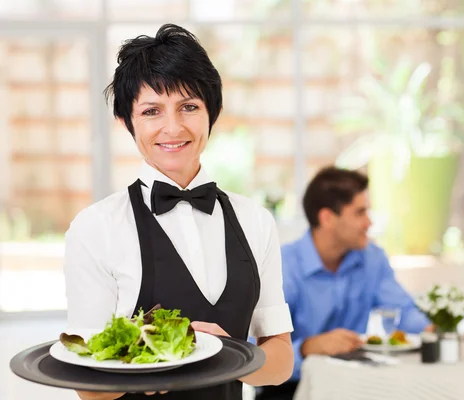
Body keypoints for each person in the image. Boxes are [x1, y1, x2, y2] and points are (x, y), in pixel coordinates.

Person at [63, 24, 293, 400]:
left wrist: (234, 356)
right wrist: (140, 361)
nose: (173, 128)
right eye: (152, 111)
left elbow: (281, 363)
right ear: (127, 122)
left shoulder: (255, 221)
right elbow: (90, 391)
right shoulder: (96, 228)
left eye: (189, 106)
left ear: (212, 113)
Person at [256, 166, 431, 400]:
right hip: (288, 389)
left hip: (355, 385)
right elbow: (255, 352)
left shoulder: (372, 259)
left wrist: (436, 327)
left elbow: (404, 312)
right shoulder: (283, 266)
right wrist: (307, 348)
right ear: (327, 218)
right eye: (360, 213)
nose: (369, 223)